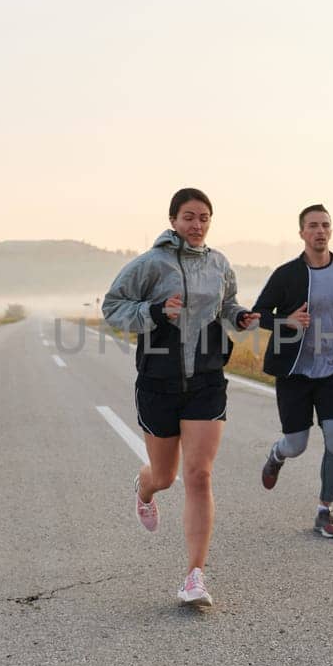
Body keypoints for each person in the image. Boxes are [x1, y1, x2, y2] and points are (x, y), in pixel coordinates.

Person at [103, 188, 260, 608]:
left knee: (199, 474)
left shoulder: (219, 263)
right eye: (189, 217)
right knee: (166, 475)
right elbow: (112, 306)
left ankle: (195, 575)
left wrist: (240, 317)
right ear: (173, 220)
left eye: (204, 217)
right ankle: (145, 487)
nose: (197, 225)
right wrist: (154, 313)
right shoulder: (150, 264)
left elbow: (227, 306)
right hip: (159, 381)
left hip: (207, 380)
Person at [251, 204, 333, 539]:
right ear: (302, 233)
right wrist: (286, 322)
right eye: (313, 226)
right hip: (294, 372)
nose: (319, 231)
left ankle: (325, 510)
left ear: (331, 231)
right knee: (297, 444)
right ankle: (277, 455)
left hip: (332, 370)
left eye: (325, 225)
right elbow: (257, 314)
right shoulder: (286, 274)